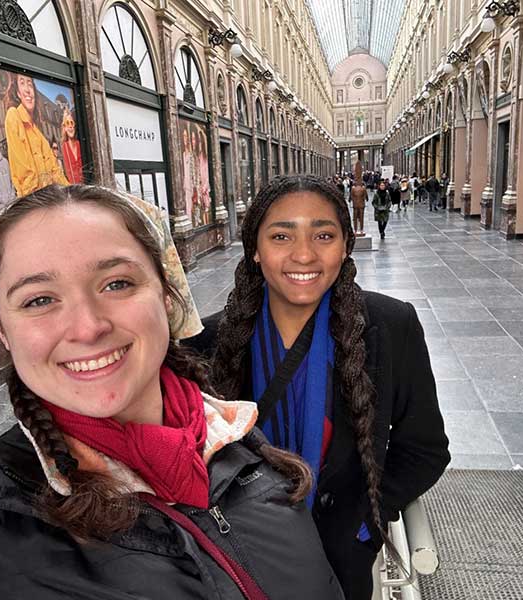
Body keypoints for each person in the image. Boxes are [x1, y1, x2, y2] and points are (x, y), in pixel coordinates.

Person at [0, 184, 344, 599]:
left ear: (166, 294)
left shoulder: (238, 442)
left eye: (116, 283)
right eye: (39, 300)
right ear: (2, 329)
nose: (88, 326)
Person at [188, 175, 450, 600]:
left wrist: (366, 516)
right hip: (241, 562)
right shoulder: (209, 343)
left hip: (341, 562)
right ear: (255, 249)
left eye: (323, 235)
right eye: (281, 235)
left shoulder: (390, 327)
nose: (304, 254)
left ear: (345, 245)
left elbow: (425, 450)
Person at [3, 74, 69, 196]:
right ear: (18, 93)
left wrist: (70, 193)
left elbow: (55, 171)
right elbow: (25, 173)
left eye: (30, 84)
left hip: (48, 199)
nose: (28, 89)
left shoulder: (37, 133)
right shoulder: (13, 116)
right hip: (35, 201)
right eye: (22, 83)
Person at [61, 109, 84, 184]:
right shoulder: (64, 147)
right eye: (67, 123)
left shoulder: (80, 144)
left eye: (72, 123)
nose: (70, 126)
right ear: (64, 128)